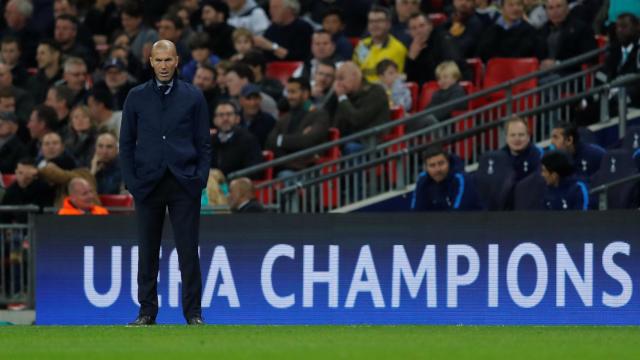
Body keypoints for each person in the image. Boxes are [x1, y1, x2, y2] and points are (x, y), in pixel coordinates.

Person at [120, 40, 211, 326]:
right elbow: (125, 144)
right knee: (147, 251)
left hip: (184, 183)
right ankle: (147, 312)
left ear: (176, 61)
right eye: (158, 60)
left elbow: (204, 143)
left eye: (168, 60)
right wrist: (132, 182)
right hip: (147, 184)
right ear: (150, 62)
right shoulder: (135, 97)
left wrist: (200, 180)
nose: (163, 65)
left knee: (188, 252)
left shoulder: (194, 96)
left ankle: (193, 313)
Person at [266, 77, 330, 174]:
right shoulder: (285, 117)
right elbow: (270, 142)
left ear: (305, 94)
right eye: (288, 92)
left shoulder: (319, 115)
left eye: (293, 92)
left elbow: (308, 141)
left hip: (310, 170)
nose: (289, 97)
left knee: (285, 175)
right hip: (286, 166)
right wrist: (299, 138)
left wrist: (280, 140)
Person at [332, 62, 390, 154]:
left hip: (371, 143)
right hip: (349, 140)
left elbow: (357, 119)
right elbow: (336, 124)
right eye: (336, 80)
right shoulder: (347, 95)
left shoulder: (375, 91)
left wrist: (342, 98)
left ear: (354, 76)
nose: (338, 84)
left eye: (341, 78)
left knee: (351, 147)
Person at [405, 13, 467, 86]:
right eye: (414, 28)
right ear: (410, 32)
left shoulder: (444, 39)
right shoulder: (412, 48)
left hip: (454, 86)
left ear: (430, 26)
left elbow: (453, 68)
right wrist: (411, 58)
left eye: (422, 26)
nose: (419, 31)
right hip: (429, 91)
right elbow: (410, 82)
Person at [411, 147, 479, 211]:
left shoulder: (461, 179)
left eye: (441, 163)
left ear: (448, 163)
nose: (437, 169)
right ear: (426, 168)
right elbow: (416, 212)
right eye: (432, 165)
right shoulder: (422, 179)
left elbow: (459, 213)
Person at [353, 6, 407, 83]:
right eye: (371, 21)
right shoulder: (362, 45)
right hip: (361, 91)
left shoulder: (398, 49)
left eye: (379, 21)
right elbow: (354, 72)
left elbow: (393, 81)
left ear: (388, 24)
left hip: (384, 92)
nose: (374, 25)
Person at [210, 100, 263, 177]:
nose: (225, 118)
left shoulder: (248, 140)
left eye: (229, 114)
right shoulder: (210, 141)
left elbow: (255, 170)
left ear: (237, 118)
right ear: (214, 120)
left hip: (238, 183)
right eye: (221, 115)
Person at [604, 13, 640, 107]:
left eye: (624, 26)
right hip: (611, 96)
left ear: (637, 27)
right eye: (617, 27)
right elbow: (604, 75)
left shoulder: (638, 49)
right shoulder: (613, 51)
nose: (619, 30)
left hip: (632, 97)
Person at [238, 84, 276, 149]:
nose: (252, 103)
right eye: (248, 98)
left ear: (260, 99)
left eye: (256, 98)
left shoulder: (269, 121)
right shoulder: (233, 120)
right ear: (241, 101)